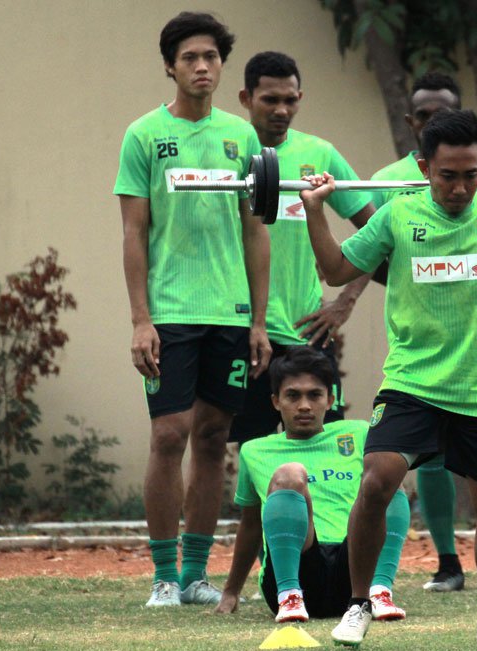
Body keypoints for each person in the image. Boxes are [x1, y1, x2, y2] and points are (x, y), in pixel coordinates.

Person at [301, 109, 477, 649]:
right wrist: (315, 211)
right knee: (377, 480)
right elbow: (335, 272)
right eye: (447, 175)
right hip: (413, 382)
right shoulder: (398, 217)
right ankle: (358, 605)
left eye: (471, 174)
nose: (459, 187)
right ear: (425, 167)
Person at [113, 11, 271, 608]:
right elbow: (133, 233)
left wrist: (258, 320)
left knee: (211, 438)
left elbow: (256, 231)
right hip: (171, 312)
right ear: (170, 67)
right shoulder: (144, 136)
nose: (202, 67)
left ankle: (196, 577)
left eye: (210, 57)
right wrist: (140, 319)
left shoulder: (244, 137)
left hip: (230, 315)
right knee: (168, 435)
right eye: (190, 58)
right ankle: (161, 577)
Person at [230, 51, 376, 439]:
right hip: (244, 332)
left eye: (290, 100)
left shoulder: (320, 154)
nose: (282, 109)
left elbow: (379, 233)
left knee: (327, 449)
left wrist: (346, 300)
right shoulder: (229, 153)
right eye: (270, 100)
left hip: (307, 335)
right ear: (246, 98)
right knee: (251, 452)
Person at [214, 346, 410, 623]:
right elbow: (251, 524)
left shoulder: (358, 433)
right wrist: (231, 591)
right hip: (298, 571)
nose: (304, 405)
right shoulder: (255, 450)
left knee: (388, 481)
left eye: (314, 395)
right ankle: (289, 596)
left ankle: (379, 591)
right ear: (275, 401)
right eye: (293, 396)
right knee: (290, 474)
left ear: (330, 400)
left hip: (354, 575)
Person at [371, 72, 467, 593]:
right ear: (411, 124)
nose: (433, 124)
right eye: (425, 117)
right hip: (420, 342)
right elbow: (371, 256)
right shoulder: (387, 182)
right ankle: (449, 562)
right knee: (427, 456)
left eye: (443, 115)